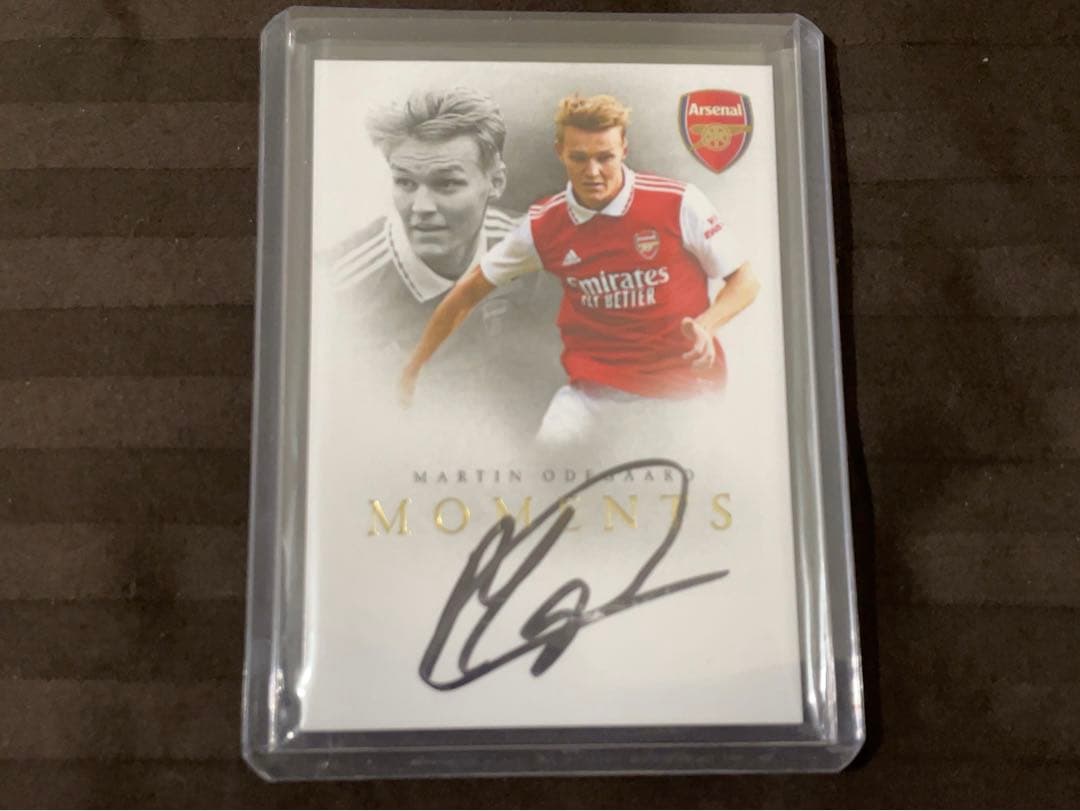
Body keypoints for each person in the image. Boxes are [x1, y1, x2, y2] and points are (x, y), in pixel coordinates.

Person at [399, 93, 760, 445]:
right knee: (547, 467)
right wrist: (415, 366)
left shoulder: (678, 203)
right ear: (560, 152)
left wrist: (706, 326)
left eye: (605, 157)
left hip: (682, 389)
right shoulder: (544, 225)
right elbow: (469, 290)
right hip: (593, 394)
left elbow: (745, 281)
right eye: (579, 158)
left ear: (624, 150)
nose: (593, 172)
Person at [317, 86, 561, 435]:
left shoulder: (537, 251)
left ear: (495, 183)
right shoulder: (337, 287)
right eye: (405, 183)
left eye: (446, 184)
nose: (421, 208)